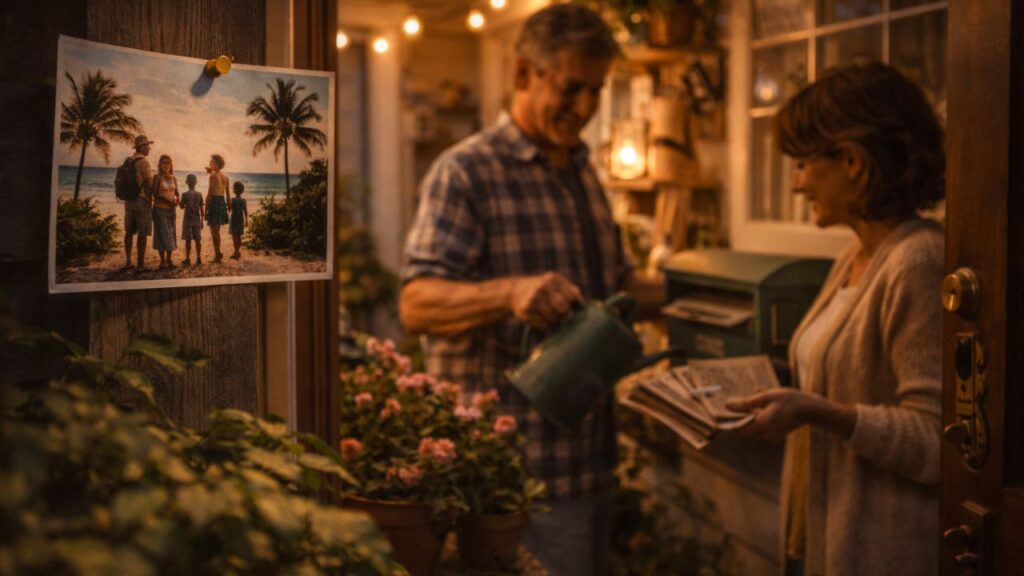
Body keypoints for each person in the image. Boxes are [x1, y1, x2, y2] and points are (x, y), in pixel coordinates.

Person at [399, 5, 662, 575]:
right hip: (512, 480)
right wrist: (510, 292)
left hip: (590, 460)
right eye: (571, 89)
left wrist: (688, 290)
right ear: (524, 74)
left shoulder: (584, 172)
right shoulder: (465, 171)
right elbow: (417, 302)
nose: (586, 108)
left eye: (596, 91)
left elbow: (615, 286)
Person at [724, 63, 945, 576]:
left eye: (802, 164)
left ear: (853, 162)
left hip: (880, 549)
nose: (797, 185)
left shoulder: (918, 262)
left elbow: (937, 442)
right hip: (823, 533)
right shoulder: (857, 255)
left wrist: (820, 413)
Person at [124, 134, 154, 270]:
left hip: (129, 201)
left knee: (129, 232)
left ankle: (128, 261)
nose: (149, 148)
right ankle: (140, 264)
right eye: (147, 146)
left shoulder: (129, 161)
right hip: (141, 201)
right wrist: (150, 198)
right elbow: (149, 183)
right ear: (142, 147)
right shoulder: (145, 162)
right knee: (142, 233)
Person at [151, 154, 180, 270]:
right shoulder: (157, 177)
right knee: (161, 234)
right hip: (160, 209)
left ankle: (169, 260)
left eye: (168, 162)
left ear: (171, 164)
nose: (166, 165)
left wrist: (178, 200)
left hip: (171, 210)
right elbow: (154, 193)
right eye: (164, 162)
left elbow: (177, 192)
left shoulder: (174, 178)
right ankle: (162, 261)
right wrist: (167, 200)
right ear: (160, 164)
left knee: (171, 234)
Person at [204, 154, 230, 262]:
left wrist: (205, 208)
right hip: (221, 202)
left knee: (214, 232)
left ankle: (217, 256)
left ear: (216, 164)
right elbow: (228, 195)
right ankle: (218, 253)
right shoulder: (225, 177)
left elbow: (210, 193)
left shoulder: (213, 176)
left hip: (215, 202)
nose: (210, 163)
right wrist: (228, 206)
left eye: (211, 162)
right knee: (217, 231)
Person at [180, 173, 205, 266]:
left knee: (188, 239)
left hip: (187, 219)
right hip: (197, 219)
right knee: (198, 239)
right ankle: (198, 258)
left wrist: (178, 200)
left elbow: (181, 206)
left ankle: (188, 258)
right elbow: (202, 209)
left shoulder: (184, 194)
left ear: (186, 182)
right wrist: (202, 220)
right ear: (196, 182)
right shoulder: (199, 194)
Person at [228, 181, 247, 259]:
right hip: (241, 220)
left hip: (234, 220)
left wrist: (228, 204)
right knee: (239, 237)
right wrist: (247, 221)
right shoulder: (243, 200)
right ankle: (237, 252)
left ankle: (236, 253)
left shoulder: (233, 200)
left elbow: (229, 210)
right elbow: (245, 211)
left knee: (235, 237)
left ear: (234, 190)